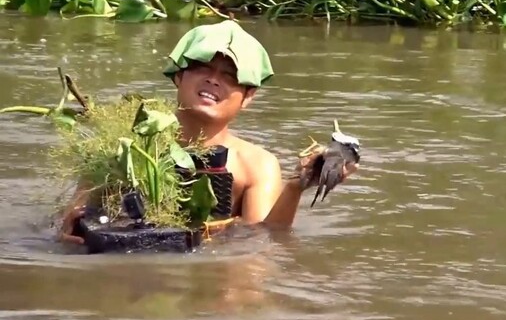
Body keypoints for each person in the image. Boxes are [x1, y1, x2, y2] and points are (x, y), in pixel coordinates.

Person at [59, 20, 358, 244]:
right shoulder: (123, 146)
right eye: (203, 68)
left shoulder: (255, 165)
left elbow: (262, 242)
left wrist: (296, 186)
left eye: (230, 76)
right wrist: (68, 233)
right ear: (179, 76)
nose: (214, 80)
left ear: (248, 95)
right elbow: (71, 223)